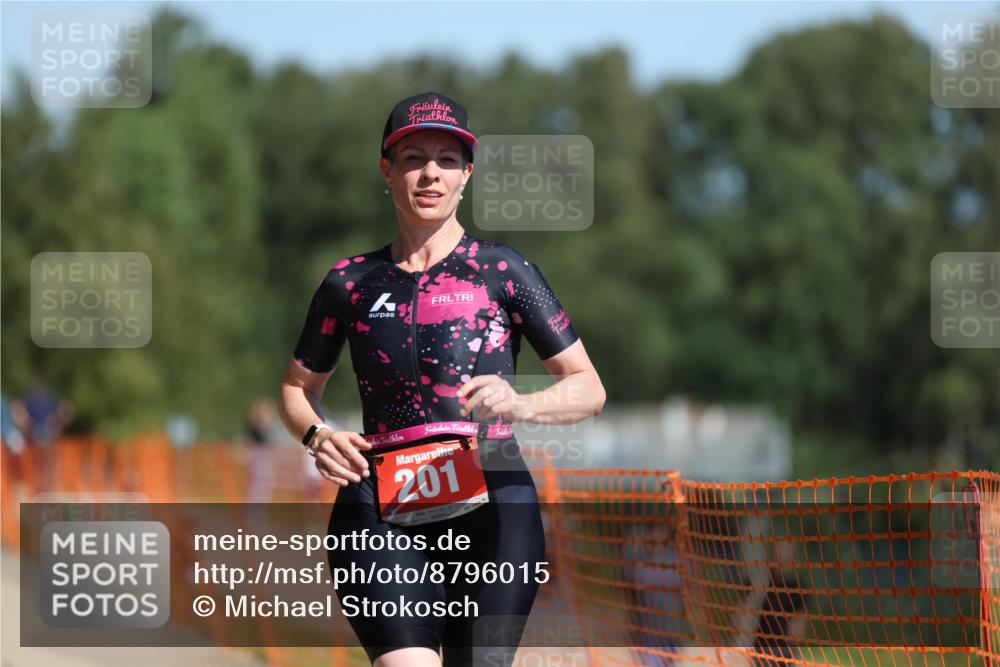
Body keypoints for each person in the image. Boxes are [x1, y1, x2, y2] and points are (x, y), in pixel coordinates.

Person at [278, 91, 605, 667]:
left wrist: (519, 402)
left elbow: (588, 388)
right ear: (387, 170)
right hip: (379, 506)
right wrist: (317, 435)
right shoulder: (349, 282)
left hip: (494, 505)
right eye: (413, 158)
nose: (430, 173)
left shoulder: (503, 271)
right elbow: (295, 389)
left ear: (466, 175)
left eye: (447, 160)